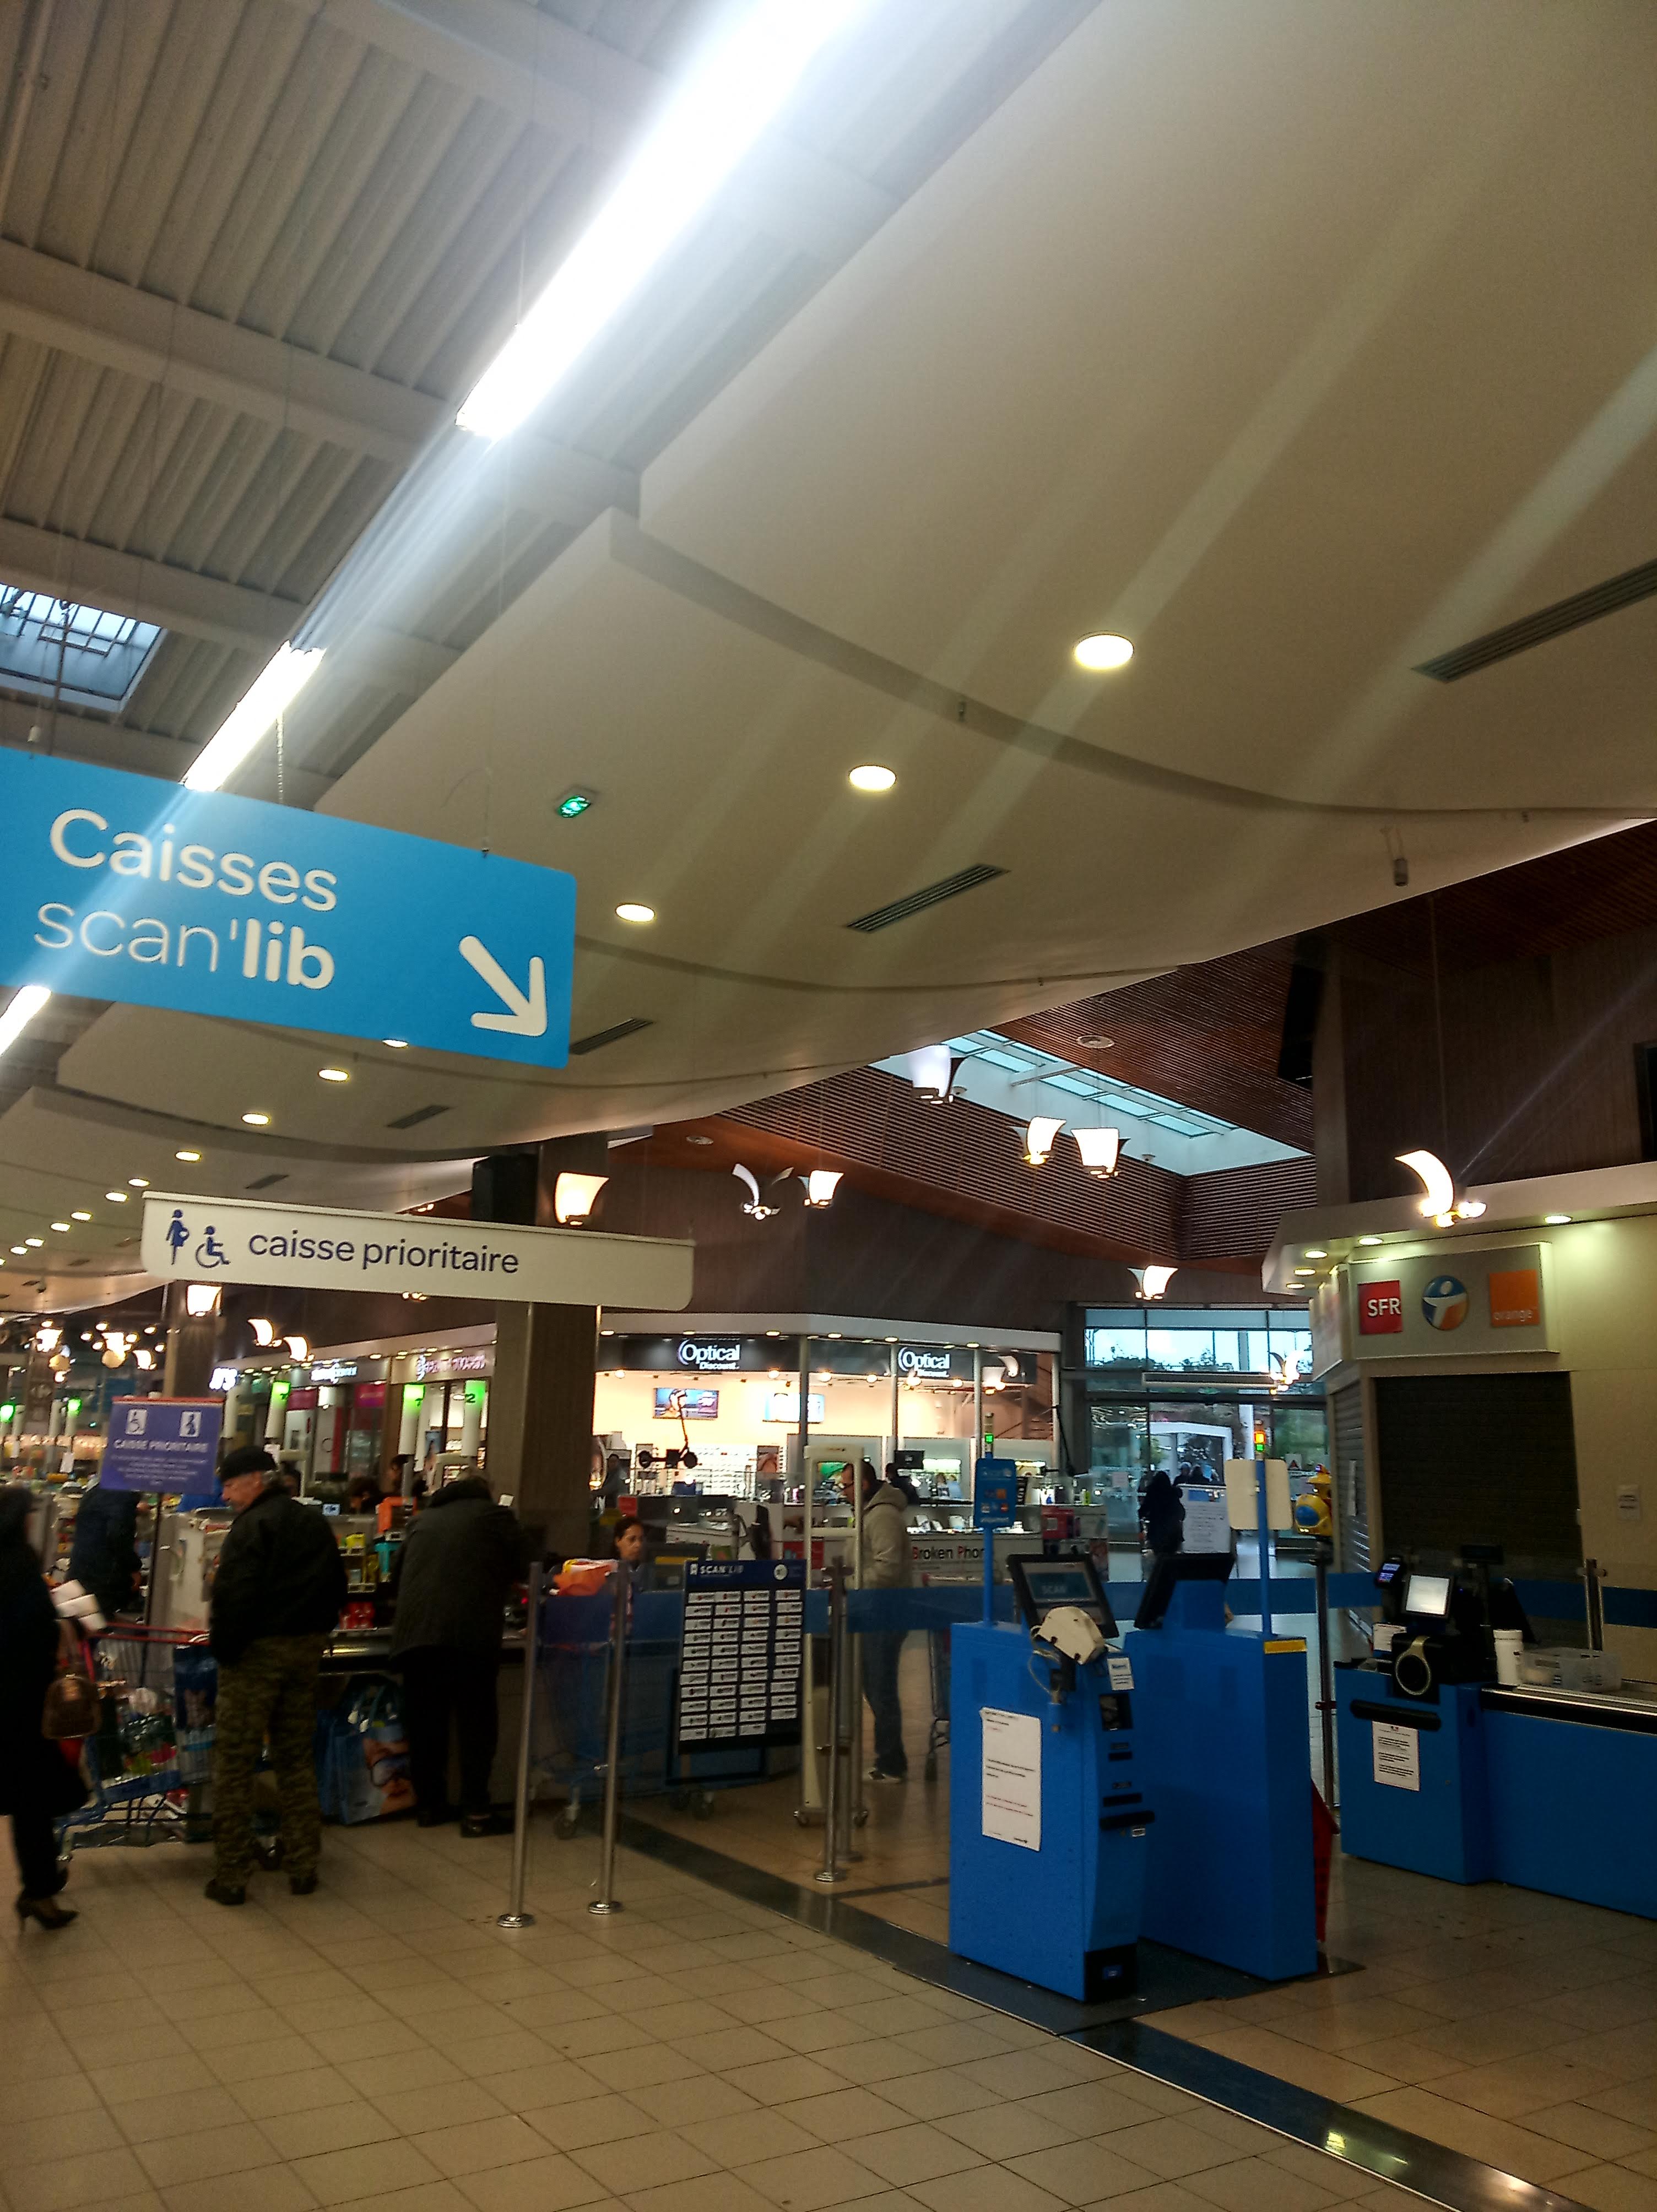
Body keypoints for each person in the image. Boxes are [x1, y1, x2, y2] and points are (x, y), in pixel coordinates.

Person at [207, 1445, 347, 1906]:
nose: (225, 1496)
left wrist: (226, 1650)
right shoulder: (312, 1522)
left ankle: (231, 1876)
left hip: (255, 1656)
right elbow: (338, 1587)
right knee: (296, 1759)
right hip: (304, 1653)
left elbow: (234, 1597)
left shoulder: (251, 1527)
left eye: (230, 1485)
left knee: (235, 1763)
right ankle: (304, 1866)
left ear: (256, 1480)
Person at [390, 1473, 526, 1835]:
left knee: (426, 1725)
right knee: (476, 1726)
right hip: (468, 1637)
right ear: (486, 1494)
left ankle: (430, 1806)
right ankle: (476, 1813)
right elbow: (528, 1563)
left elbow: (396, 1576)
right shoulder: (494, 1516)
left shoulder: (423, 1520)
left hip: (416, 1637)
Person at [0, 1487, 86, 1928]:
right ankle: (39, 1892)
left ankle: (43, 1881)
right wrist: (68, 1627)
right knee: (32, 1799)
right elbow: (32, 1629)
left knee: (28, 1798)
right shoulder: (18, 1564)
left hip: (10, 1697)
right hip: (24, 1700)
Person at [853, 1460, 913, 1783]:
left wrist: (850, 1582)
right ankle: (889, 1759)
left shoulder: (882, 1517)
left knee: (881, 1688)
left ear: (863, 1484)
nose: (842, 1492)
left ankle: (891, 1763)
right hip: (875, 1612)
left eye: (846, 1485)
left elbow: (887, 1569)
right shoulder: (871, 1514)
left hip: (884, 1613)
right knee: (875, 1686)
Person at [67, 1478, 140, 1619]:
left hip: (80, 1569)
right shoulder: (122, 1496)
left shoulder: (94, 1492)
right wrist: (133, 1568)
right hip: (103, 1576)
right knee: (98, 1620)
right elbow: (118, 1536)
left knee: (81, 1621)